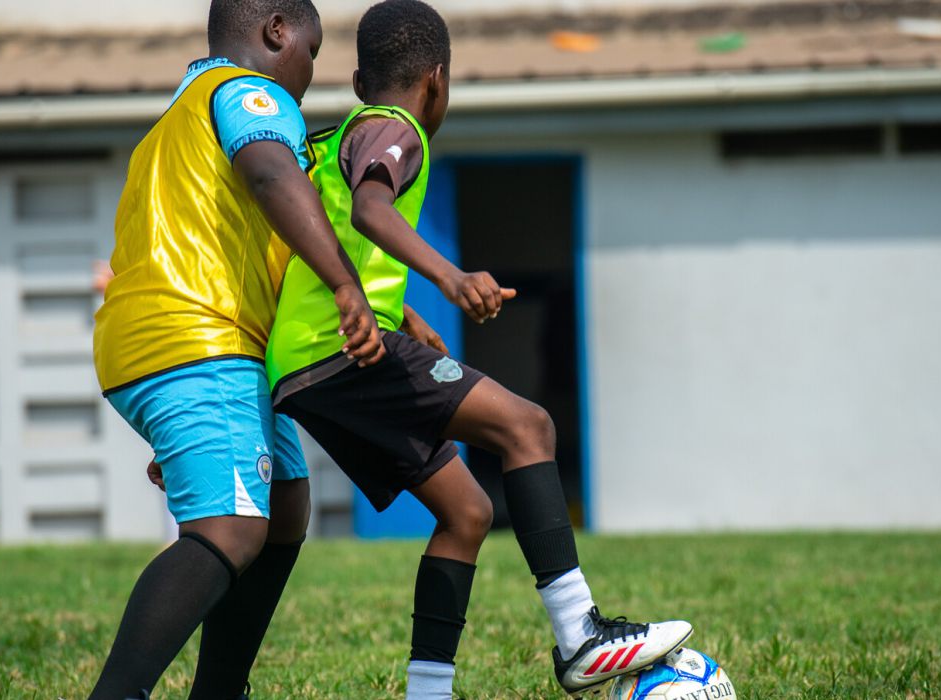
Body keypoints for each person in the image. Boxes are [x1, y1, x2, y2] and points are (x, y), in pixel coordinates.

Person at [263, 2, 693, 697]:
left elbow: (330, 244)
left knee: (466, 513)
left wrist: (400, 311)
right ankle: (580, 633)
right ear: (436, 81)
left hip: (309, 365)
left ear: (356, 78)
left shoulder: (341, 133)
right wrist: (451, 277)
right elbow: (372, 212)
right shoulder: (399, 131)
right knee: (528, 426)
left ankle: (429, 691)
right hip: (339, 355)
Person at [87, 1, 389, 698]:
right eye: (311, 52)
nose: (312, 73)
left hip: (191, 343)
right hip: (200, 336)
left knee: (283, 506)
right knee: (229, 530)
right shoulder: (252, 95)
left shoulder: (175, 124)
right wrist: (345, 282)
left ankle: (220, 691)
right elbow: (271, 177)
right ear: (277, 32)